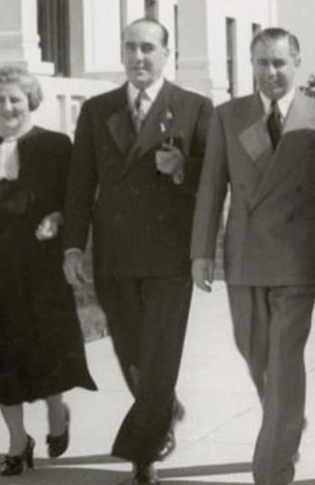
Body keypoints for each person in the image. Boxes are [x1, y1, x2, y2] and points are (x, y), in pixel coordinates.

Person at [62, 17, 213, 485]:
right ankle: (163, 405)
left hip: (170, 254)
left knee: (161, 351)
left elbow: (214, 179)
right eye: (131, 47)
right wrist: (72, 245)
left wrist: (182, 167)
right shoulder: (97, 110)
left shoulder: (194, 107)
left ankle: (142, 451)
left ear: (166, 54)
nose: (139, 57)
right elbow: (80, 182)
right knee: (130, 350)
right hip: (116, 252)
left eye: (148, 48)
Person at [190, 27, 315, 485]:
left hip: (298, 258)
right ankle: (288, 422)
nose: (270, 72)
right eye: (261, 63)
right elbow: (211, 188)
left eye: (279, 63)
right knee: (255, 355)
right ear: (251, 65)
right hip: (245, 257)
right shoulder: (227, 116)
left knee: (283, 361)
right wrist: (201, 252)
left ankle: (272, 468)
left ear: (296, 63)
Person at [0, 66, 97, 477]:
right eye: (0, 99)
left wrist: (58, 219)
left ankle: (57, 411)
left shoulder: (56, 146)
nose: (7, 107)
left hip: (40, 264)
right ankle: (16, 440)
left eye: (15, 99)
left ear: (30, 101)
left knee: (44, 348)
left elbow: (76, 200)